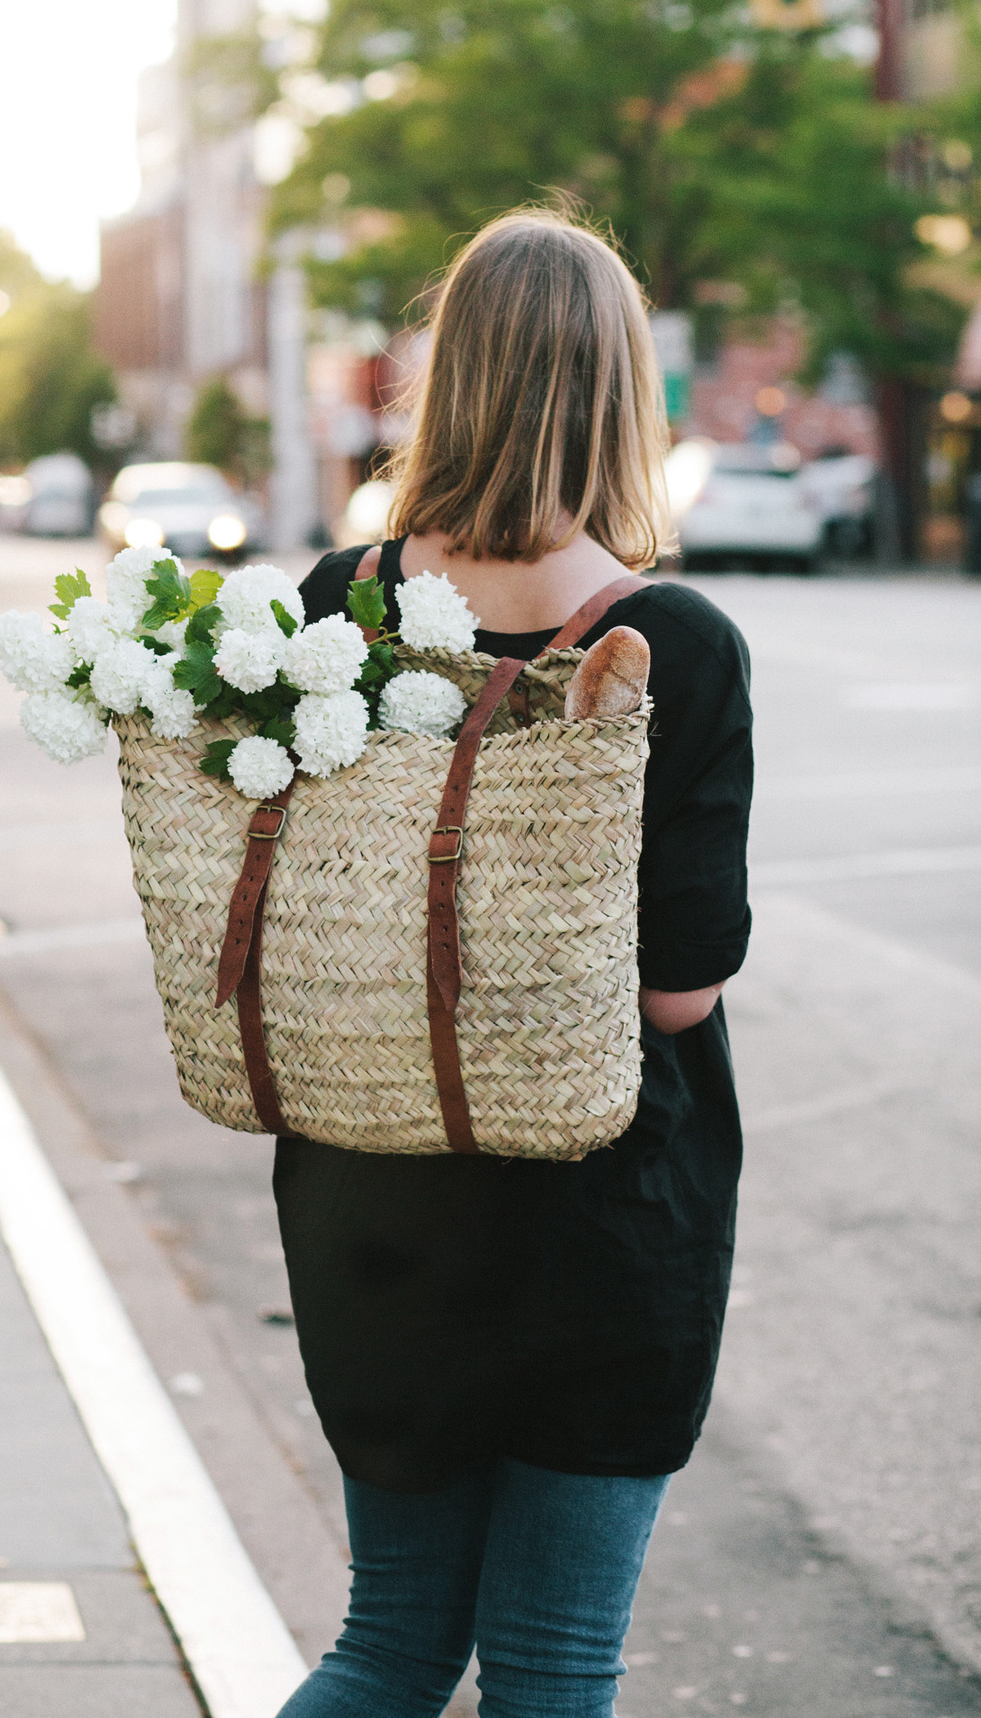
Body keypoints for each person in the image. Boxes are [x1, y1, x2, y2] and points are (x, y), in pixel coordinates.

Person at [275, 208, 752, 1718]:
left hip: (377, 1196)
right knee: (549, 1666)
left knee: (390, 1641)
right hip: (595, 1216)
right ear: (621, 390)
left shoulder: (335, 608)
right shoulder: (672, 639)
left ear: (449, 377)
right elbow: (679, 988)